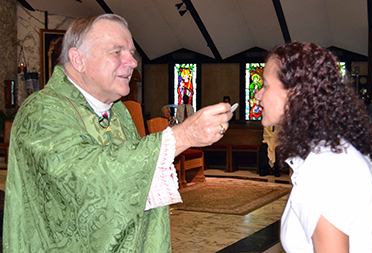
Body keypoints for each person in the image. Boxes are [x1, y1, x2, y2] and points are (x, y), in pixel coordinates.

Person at [3, 14, 232, 252]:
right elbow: (85, 181)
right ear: (78, 59)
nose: (132, 62)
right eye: (117, 52)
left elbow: (134, 186)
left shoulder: (119, 112)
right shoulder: (41, 112)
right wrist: (183, 136)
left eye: (131, 52)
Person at [255, 42, 372, 252]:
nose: (258, 95)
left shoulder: (323, 167)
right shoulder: (333, 150)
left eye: (266, 85)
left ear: (295, 94)